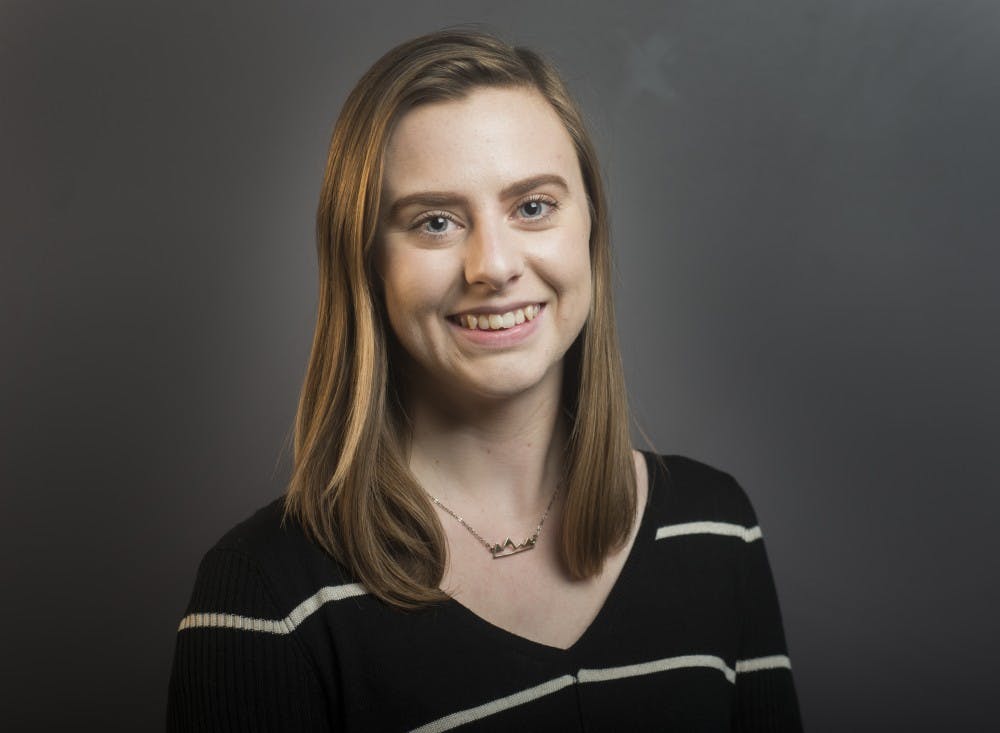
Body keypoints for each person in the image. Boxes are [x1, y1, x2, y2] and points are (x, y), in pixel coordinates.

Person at [167, 29, 803, 731]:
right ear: (367, 265)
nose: (493, 266)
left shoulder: (716, 528)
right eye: (435, 221)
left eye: (533, 206)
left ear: (590, 226)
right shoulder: (265, 598)